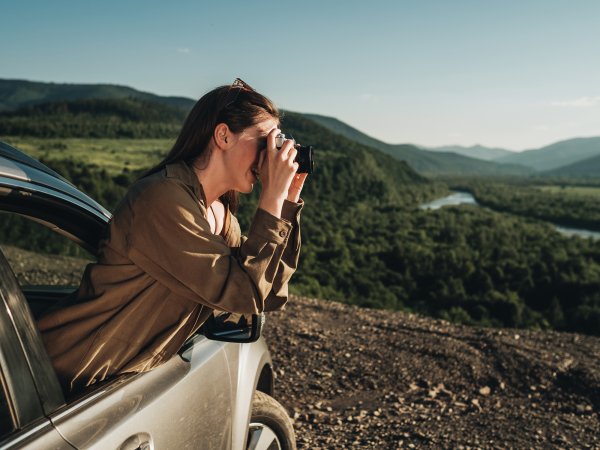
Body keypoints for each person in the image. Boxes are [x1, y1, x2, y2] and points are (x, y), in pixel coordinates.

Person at [39, 78, 307, 394]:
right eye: (265, 143)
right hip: (55, 372)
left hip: (104, 382)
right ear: (223, 136)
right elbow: (244, 294)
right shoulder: (162, 199)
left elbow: (268, 294)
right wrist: (272, 198)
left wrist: (287, 202)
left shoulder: (222, 218)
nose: (269, 158)